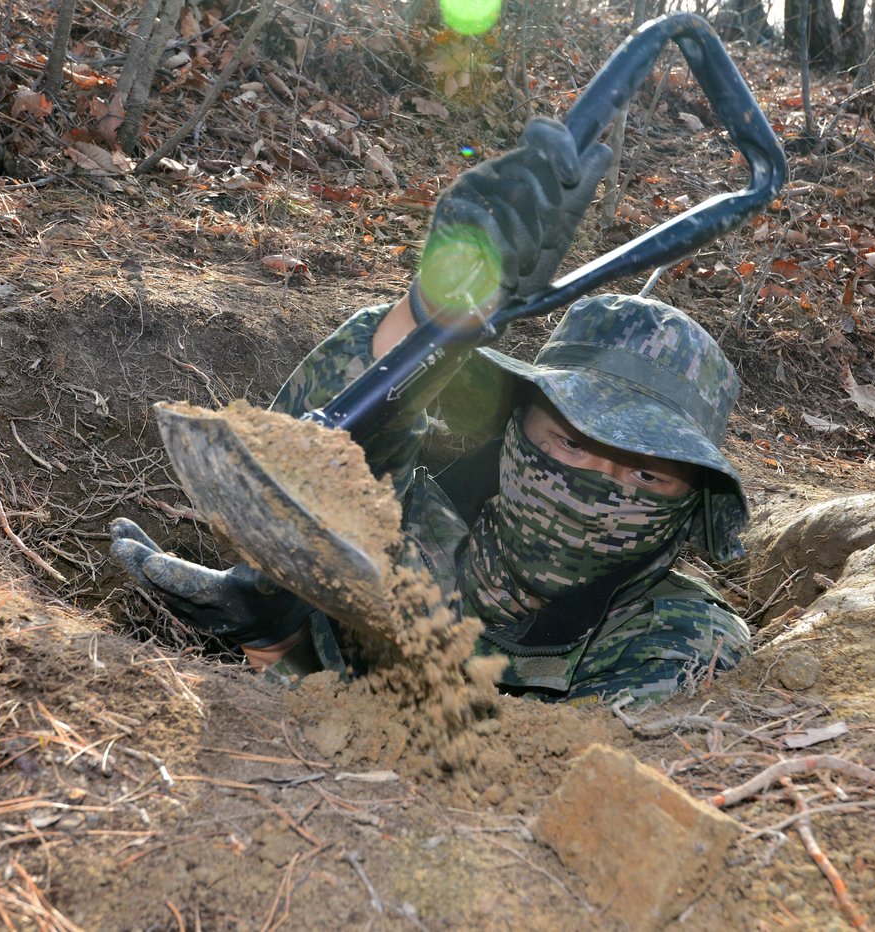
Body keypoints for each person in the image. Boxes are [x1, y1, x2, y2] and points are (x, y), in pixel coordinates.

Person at [111, 117, 752, 706]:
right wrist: (431, 315)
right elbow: (310, 458)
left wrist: (280, 658)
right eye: (572, 445)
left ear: (690, 505)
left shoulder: (684, 637)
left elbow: (516, 781)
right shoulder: (407, 521)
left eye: (646, 476)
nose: (599, 486)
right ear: (516, 428)